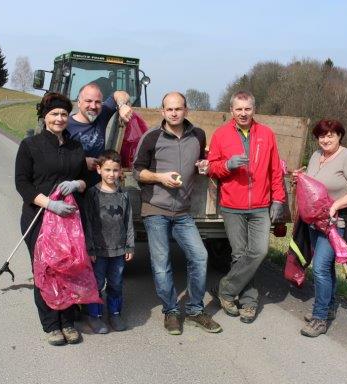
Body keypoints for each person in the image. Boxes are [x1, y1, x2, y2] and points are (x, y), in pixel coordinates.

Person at [133, 92, 221, 335]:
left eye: (178, 109)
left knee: (200, 257)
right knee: (162, 264)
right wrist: (160, 177)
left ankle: (194, 310)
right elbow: (137, 171)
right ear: (162, 111)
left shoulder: (198, 135)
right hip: (155, 208)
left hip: (183, 211)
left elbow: (201, 162)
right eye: (169, 109)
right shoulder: (151, 137)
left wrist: (203, 166)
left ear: (186, 110)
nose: (174, 113)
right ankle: (170, 311)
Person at [15, 92, 89, 346]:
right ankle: (50, 324)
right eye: (54, 114)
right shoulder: (30, 146)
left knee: (67, 268)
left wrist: (77, 183)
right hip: (38, 216)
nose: (59, 118)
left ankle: (67, 321)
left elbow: (87, 179)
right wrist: (50, 204)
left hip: (68, 219)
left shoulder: (75, 146)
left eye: (63, 114)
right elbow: (22, 184)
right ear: (44, 117)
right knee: (45, 269)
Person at [207, 91, 286, 324]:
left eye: (247, 109)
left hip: (261, 205)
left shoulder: (267, 134)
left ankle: (225, 289)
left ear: (254, 109)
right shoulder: (221, 135)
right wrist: (227, 165)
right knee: (240, 255)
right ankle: (249, 302)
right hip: (232, 206)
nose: (243, 113)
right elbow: (212, 167)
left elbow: (275, 171)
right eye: (239, 109)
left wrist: (279, 200)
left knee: (259, 251)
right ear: (232, 110)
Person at [296, 119, 347, 337]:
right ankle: (326, 309)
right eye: (321, 136)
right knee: (325, 268)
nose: (325, 139)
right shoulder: (317, 156)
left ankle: (319, 319)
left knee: (319, 268)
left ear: (339, 136)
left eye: (330, 135)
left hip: (336, 223)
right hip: (315, 221)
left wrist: (336, 205)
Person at [82, 149, 134, 333]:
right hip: (98, 250)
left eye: (115, 170)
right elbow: (87, 222)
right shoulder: (92, 194)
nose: (111, 174)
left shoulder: (124, 195)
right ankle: (94, 316)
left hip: (119, 249)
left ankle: (114, 314)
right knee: (96, 283)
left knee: (116, 283)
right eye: (107, 170)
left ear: (120, 171)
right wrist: (90, 249)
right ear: (98, 170)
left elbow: (128, 220)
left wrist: (130, 245)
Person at [67, 83, 133, 173]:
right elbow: (54, 157)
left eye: (98, 102)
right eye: (88, 101)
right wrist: (81, 162)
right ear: (79, 103)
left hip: (97, 183)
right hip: (73, 183)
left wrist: (122, 106)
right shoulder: (66, 126)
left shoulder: (101, 115)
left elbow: (120, 94)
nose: (93, 106)